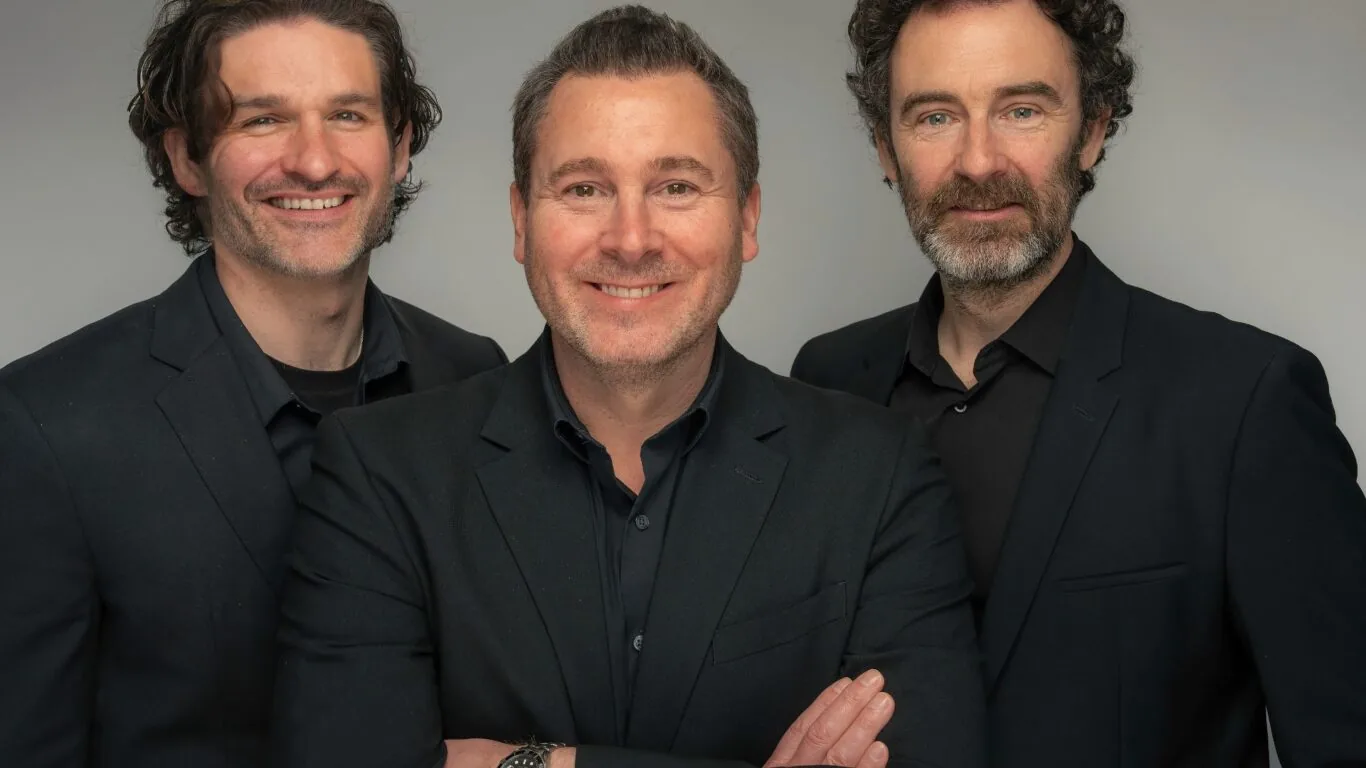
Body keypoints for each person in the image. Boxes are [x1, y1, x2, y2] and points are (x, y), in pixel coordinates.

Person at [270, 6, 986, 768]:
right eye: (583, 189)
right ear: (521, 221)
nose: (631, 239)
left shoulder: (878, 475)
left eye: (677, 186)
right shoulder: (378, 474)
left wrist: (532, 763)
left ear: (747, 216)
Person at [790, 0, 1366, 765]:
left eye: (1022, 109)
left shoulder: (1245, 401)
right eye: (934, 117)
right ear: (885, 148)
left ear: (1092, 130)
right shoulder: (825, 383)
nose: (978, 161)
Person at [0, 1, 505, 765]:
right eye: (263, 120)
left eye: (348, 114)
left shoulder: (475, 378)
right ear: (187, 158)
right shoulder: (43, 427)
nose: (313, 160)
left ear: (399, 146)